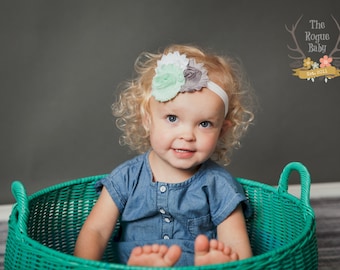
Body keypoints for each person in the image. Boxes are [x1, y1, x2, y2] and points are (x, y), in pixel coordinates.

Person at [74, 44, 255, 267]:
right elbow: (97, 230)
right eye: (172, 118)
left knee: (227, 257)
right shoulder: (127, 177)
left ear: (222, 131)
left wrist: (232, 261)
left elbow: (236, 244)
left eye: (204, 123)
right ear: (147, 120)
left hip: (195, 264)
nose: (187, 135)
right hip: (132, 263)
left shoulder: (218, 185)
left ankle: (213, 266)